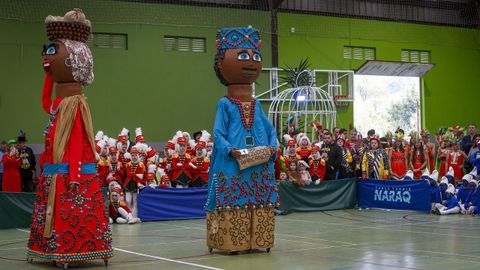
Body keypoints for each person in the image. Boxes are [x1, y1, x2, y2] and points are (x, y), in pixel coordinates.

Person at [27, 9, 112, 265]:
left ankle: (73, 251)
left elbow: (76, 140)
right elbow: (44, 101)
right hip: (54, 171)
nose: (47, 55)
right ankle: (50, 250)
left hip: (71, 174)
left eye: (53, 51)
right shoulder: (58, 105)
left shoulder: (74, 104)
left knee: (73, 213)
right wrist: (47, 74)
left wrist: (74, 174)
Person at [205, 27, 277, 253]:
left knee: (261, 199)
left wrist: (273, 146)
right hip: (232, 163)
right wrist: (230, 150)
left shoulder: (257, 105)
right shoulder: (224, 104)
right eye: (243, 56)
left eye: (256, 57)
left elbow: (270, 129)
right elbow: (218, 134)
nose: (252, 62)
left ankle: (260, 241)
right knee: (232, 199)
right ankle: (231, 243)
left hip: (258, 163)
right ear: (220, 64)